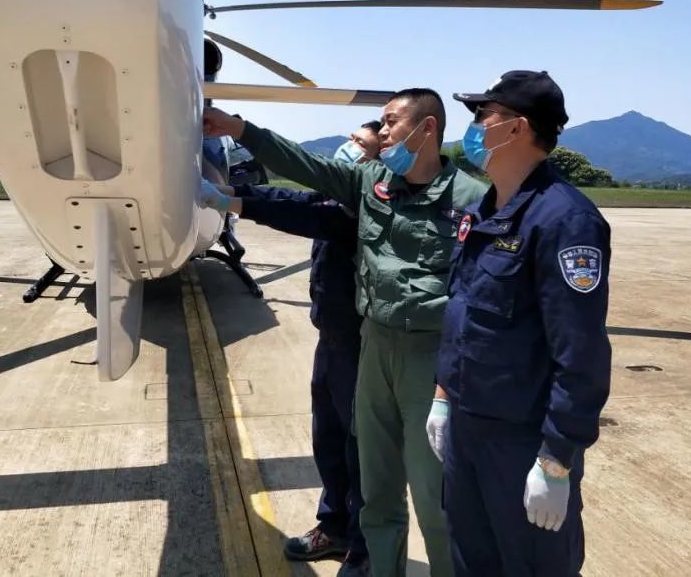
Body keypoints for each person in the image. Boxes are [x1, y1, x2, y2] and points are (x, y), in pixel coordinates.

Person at [204, 90, 488, 577]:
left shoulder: (472, 199)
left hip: (430, 355)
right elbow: (304, 168)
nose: (382, 132)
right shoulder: (371, 181)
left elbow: (486, 291)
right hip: (374, 343)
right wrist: (239, 129)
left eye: (390, 121)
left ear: (427, 129)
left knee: (434, 493)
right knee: (375, 487)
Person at [425, 70, 612, 576]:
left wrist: (556, 460)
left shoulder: (565, 220)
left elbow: (581, 355)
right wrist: (443, 398)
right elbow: (463, 315)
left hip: (522, 442)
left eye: (484, 114)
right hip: (468, 431)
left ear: (517, 129)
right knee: (471, 561)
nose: (474, 126)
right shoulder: (483, 211)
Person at [199, 122, 381, 576]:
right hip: (331, 341)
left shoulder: (364, 203)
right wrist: (229, 194)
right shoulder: (337, 197)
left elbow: (298, 213)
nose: (348, 147)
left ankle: (363, 552)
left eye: (360, 143)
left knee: (362, 455)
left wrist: (230, 200)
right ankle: (334, 527)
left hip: (360, 347)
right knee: (329, 443)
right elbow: (297, 201)